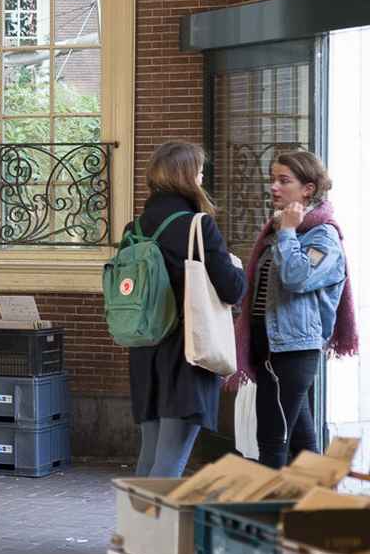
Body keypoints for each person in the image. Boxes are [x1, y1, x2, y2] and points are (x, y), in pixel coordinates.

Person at [129, 142, 247, 479]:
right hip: (188, 352)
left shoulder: (134, 229)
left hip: (145, 353)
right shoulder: (198, 226)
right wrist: (237, 269)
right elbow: (232, 288)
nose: (201, 177)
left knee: (150, 456)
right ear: (185, 178)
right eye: (198, 171)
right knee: (169, 462)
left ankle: (137, 530)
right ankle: (152, 531)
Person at [233, 150, 356, 469]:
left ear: (308, 189)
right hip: (271, 348)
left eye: (283, 181)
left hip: (293, 350)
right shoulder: (278, 230)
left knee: (272, 441)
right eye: (272, 179)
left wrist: (287, 231)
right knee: (302, 442)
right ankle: (314, 513)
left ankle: (267, 517)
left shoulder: (322, 235)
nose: (274, 187)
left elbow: (297, 278)